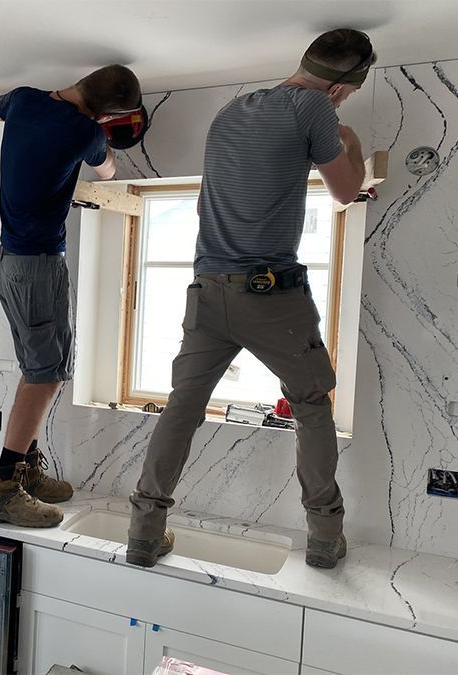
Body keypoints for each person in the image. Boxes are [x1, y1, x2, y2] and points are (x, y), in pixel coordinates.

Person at [127, 29, 375, 569]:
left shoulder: (232, 110)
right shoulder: (315, 109)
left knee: (182, 408)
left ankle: (145, 532)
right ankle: (325, 537)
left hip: (207, 291)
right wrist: (350, 145)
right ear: (337, 90)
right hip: (271, 297)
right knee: (311, 407)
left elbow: (218, 198)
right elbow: (346, 191)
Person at [0, 65, 142, 527]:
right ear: (108, 113)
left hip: (12, 262)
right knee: (47, 374)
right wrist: (101, 134)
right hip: (37, 266)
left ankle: (25, 469)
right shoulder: (83, 132)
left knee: (37, 368)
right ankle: (3, 488)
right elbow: (108, 169)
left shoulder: (25, 99)